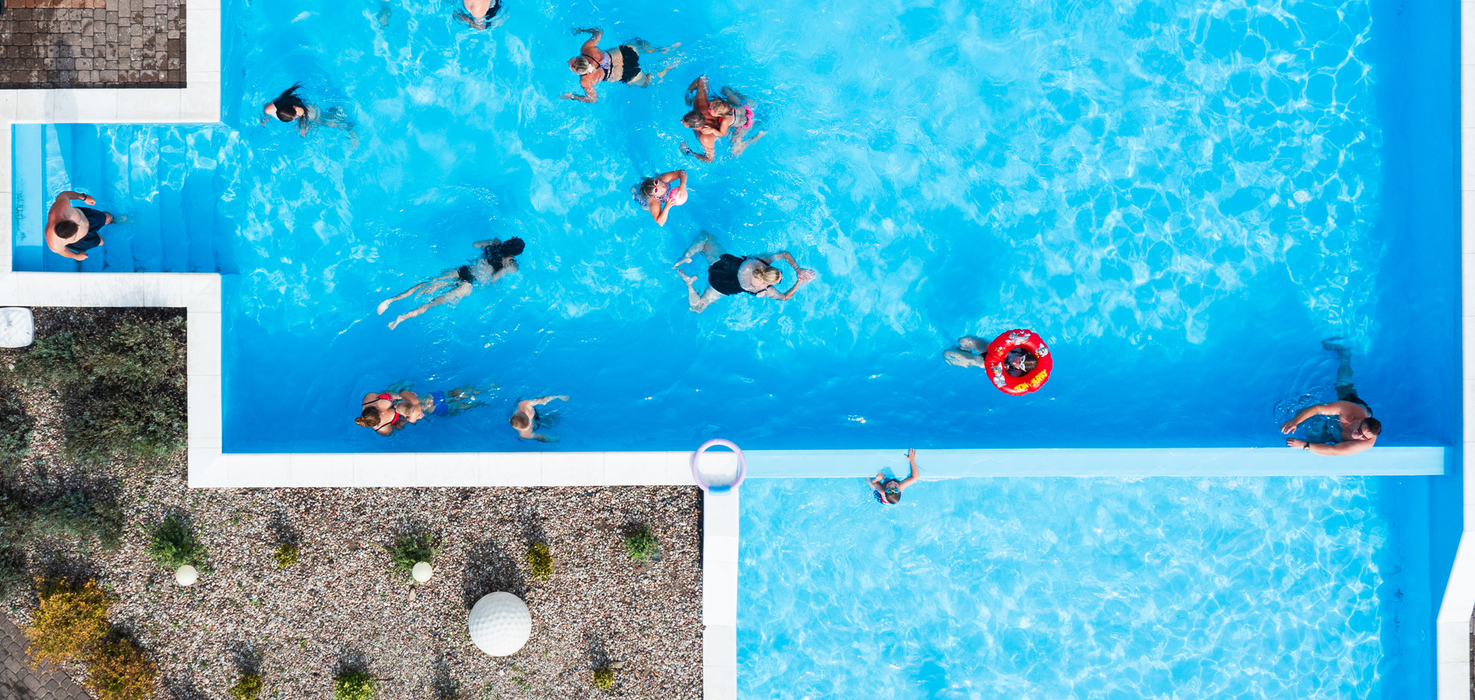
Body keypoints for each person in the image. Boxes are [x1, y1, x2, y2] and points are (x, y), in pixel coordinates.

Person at [377, 237, 525, 330]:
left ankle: (390, 300)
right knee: (433, 303)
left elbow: (475, 244)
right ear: (517, 253)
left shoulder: (496, 244)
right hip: (469, 284)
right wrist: (504, 268)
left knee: (428, 284)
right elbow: (493, 279)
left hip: (464, 270)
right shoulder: (511, 265)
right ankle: (402, 318)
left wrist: (490, 242)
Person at [1281, 338, 1382, 456]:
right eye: (1360, 431)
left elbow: (1334, 451)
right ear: (1359, 420)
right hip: (1352, 403)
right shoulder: (1349, 409)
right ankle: (1345, 355)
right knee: (1344, 382)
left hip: (1338, 434)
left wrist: (1305, 446)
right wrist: (1295, 421)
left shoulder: (1367, 442)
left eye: (1364, 436)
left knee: (1310, 437)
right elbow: (1318, 409)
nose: (1359, 436)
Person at [672, 231, 817, 313]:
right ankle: (689, 284)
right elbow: (785, 297)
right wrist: (799, 280)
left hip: (723, 264)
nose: (782, 276)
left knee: (705, 237)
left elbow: (784, 254)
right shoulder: (764, 290)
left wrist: (797, 268)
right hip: (722, 285)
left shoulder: (762, 261)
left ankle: (686, 256)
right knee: (697, 308)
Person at [561, 27, 680, 103]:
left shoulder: (585, 81)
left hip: (626, 74)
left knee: (647, 83)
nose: (567, 62)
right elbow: (599, 31)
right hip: (625, 54)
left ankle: (668, 67)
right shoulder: (586, 49)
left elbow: (593, 99)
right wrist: (582, 30)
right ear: (580, 58)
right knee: (639, 43)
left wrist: (573, 97)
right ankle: (661, 49)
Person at [680, 77, 766, 162]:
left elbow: (710, 159)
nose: (681, 121)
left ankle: (757, 136)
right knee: (724, 89)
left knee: (735, 151)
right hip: (742, 109)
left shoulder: (705, 137)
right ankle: (750, 101)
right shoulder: (700, 104)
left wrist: (690, 152)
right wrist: (688, 92)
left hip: (743, 123)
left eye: (683, 121)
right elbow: (703, 79)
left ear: (694, 127)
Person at [261, 84, 355, 140]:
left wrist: (303, 131)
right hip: (291, 106)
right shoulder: (269, 109)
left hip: (308, 109)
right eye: (294, 117)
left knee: (321, 121)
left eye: (295, 115)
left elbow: (303, 118)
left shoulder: (299, 110)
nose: (296, 116)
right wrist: (266, 118)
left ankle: (347, 126)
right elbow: (266, 111)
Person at [45, 190, 112, 261]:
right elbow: (63, 251)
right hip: (81, 241)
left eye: (74, 222)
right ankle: (96, 234)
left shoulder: (61, 208)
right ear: (66, 239)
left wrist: (84, 197)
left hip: (87, 217)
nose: (79, 225)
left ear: (63, 219)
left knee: (108, 217)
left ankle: (112, 220)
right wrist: (76, 256)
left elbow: (65, 194)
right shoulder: (54, 243)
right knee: (101, 242)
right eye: (76, 229)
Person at [943, 336, 1039, 376]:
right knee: (963, 340)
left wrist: (999, 370)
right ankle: (963, 349)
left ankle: (965, 355)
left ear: (1024, 370)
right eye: (1020, 359)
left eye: (1020, 366)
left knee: (947, 354)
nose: (1015, 362)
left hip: (987, 361)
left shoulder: (1016, 373)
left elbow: (1002, 377)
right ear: (1025, 354)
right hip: (990, 349)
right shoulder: (1020, 348)